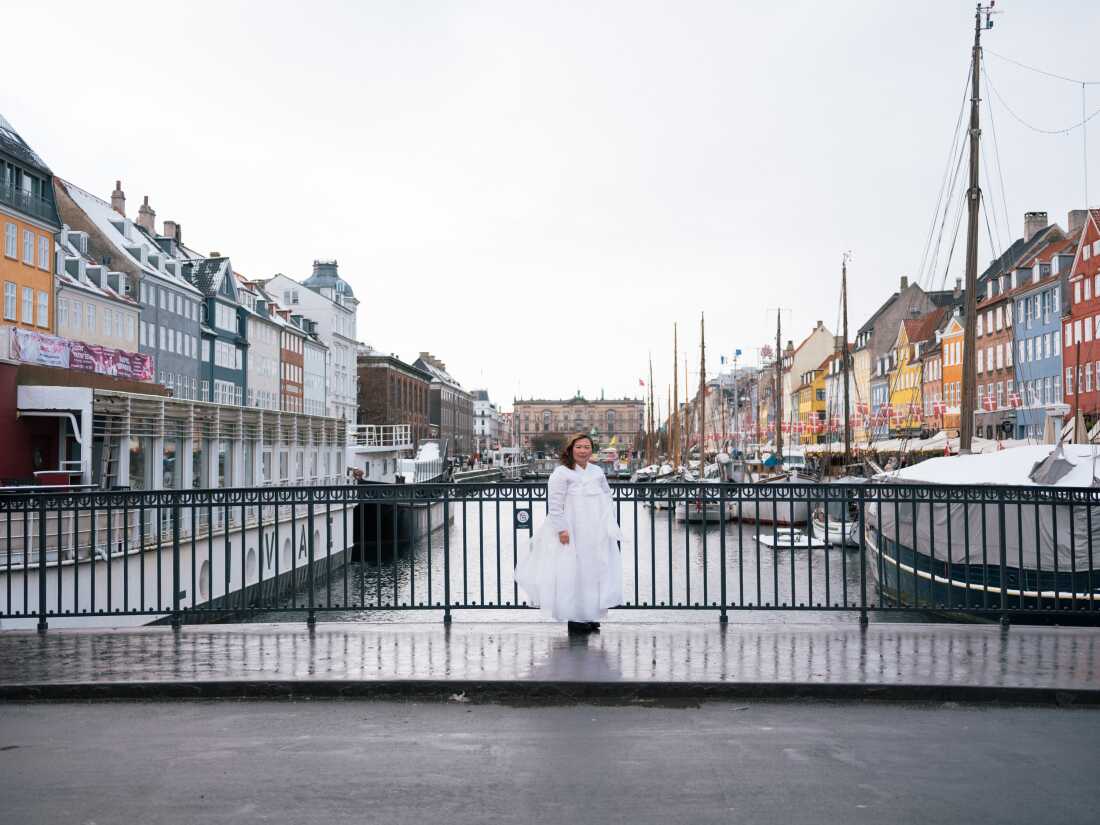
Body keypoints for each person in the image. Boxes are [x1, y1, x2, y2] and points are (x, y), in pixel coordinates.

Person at [515, 433, 623, 634]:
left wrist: (608, 525)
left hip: (594, 531)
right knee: (572, 572)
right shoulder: (561, 473)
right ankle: (575, 618)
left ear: (592, 450)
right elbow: (555, 505)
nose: (583, 450)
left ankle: (589, 614)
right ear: (571, 449)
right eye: (579, 447)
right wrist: (561, 529)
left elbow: (607, 498)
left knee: (593, 573)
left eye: (587, 447)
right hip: (572, 530)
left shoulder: (597, 471)